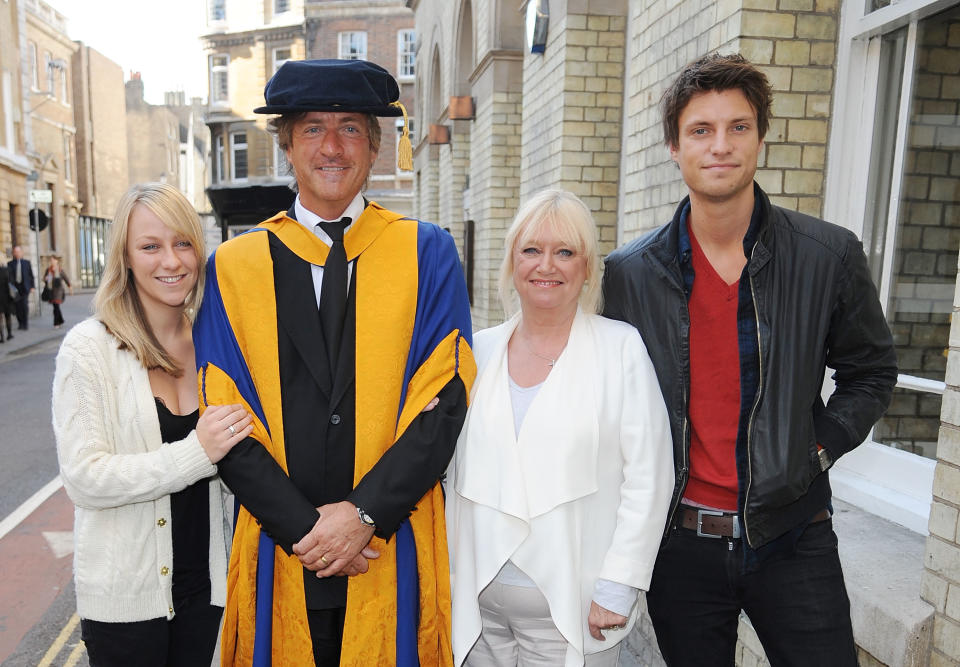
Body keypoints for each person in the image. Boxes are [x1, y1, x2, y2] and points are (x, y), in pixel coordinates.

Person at [601, 53, 898, 666]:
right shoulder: (630, 274)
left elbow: (870, 371)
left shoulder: (827, 255)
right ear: (674, 147)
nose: (720, 146)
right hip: (679, 545)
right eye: (701, 130)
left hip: (795, 534)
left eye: (738, 127)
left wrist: (816, 449)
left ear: (761, 137)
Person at [192, 58, 475, 666]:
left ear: (374, 147)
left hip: (388, 543)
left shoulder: (427, 253)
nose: (331, 146)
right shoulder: (235, 268)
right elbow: (224, 415)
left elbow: (446, 399)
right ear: (287, 147)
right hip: (281, 548)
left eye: (350, 127)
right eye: (312, 128)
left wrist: (365, 515)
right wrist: (305, 530)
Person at [446, 189, 674, 667]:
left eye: (565, 252)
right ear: (512, 261)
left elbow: (650, 477)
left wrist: (619, 584)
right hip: (476, 610)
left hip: (573, 609)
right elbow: (447, 467)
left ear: (587, 267)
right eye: (532, 250)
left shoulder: (620, 350)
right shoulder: (478, 351)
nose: (546, 265)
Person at [51, 182, 254, 667]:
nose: (171, 261)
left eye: (183, 242)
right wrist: (196, 453)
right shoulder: (90, 349)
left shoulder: (215, 341)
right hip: (125, 606)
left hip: (208, 594)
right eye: (150, 246)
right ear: (125, 255)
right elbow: (85, 478)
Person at [7, 245, 34, 330]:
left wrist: (32, 287)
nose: (17, 253)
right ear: (14, 253)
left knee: (24, 306)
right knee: (18, 306)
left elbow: (31, 276)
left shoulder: (27, 263)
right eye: (16, 252)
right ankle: (20, 323)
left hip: (25, 287)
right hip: (15, 289)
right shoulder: (10, 264)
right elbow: (9, 277)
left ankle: (25, 324)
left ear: (22, 253)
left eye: (19, 251)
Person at [43, 255, 73, 328]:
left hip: (58, 291)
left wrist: (70, 288)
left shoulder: (60, 270)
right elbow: (44, 279)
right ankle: (61, 320)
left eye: (53, 260)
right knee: (55, 307)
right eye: (51, 260)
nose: (52, 261)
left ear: (57, 261)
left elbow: (66, 279)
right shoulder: (48, 270)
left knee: (56, 306)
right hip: (51, 290)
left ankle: (56, 323)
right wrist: (46, 278)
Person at [0, 257, 13, 342]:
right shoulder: (6, 270)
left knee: (0, 318)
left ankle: (2, 337)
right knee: (8, 316)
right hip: (7, 298)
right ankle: (9, 334)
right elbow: (11, 284)